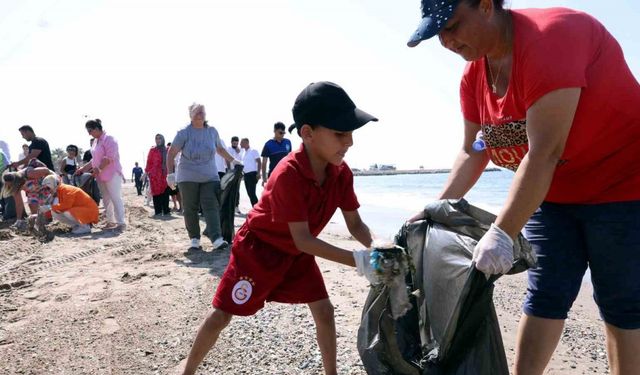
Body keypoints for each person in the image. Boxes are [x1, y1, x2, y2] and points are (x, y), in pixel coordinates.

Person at [406, 1, 640, 374]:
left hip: (625, 184)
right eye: (438, 34)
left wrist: (501, 233)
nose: (446, 41)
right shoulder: (474, 76)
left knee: (621, 301)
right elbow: (472, 151)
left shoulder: (551, 38)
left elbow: (544, 152)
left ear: (485, 6)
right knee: (546, 292)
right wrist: (436, 211)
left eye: (451, 27)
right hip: (552, 191)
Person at [179, 81, 379, 375]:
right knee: (223, 313)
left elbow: (356, 225)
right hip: (259, 250)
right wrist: (359, 262)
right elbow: (303, 239)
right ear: (308, 134)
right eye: (340, 134)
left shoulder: (341, 173)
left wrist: (379, 249)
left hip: (296, 253)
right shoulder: (289, 174)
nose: (349, 142)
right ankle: (187, 370)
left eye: (351, 134)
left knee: (324, 311)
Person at [167, 103, 241, 251]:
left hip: (209, 176)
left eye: (202, 111)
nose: (201, 113)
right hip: (187, 176)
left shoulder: (212, 131)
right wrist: (170, 174)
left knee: (212, 206)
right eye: (197, 111)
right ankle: (194, 239)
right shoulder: (183, 132)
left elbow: (220, 149)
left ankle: (216, 238)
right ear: (191, 115)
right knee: (190, 208)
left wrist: (233, 160)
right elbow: (171, 153)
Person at [75, 119, 126, 231]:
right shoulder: (95, 141)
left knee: (115, 197)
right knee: (106, 199)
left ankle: (121, 223)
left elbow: (109, 158)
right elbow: (94, 159)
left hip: (111, 173)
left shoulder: (109, 139)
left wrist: (98, 169)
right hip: (100, 176)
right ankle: (111, 221)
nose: (89, 133)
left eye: (90, 130)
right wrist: (83, 169)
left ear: (97, 128)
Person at [1, 160, 54, 226]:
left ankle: (49, 220)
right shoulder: (14, 187)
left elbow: (46, 170)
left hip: (45, 187)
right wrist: (18, 220)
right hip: (32, 192)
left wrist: (52, 184)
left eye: (11, 185)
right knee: (33, 208)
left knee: (46, 208)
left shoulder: (30, 173)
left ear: (16, 182)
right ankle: (40, 222)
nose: (10, 187)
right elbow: (19, 204)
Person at [145, 134, 171, 216]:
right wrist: (146, 172)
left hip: (164, 174)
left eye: (160, 138)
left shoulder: (167, 149)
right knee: (156, 193)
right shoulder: (152, 150)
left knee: (165, 192)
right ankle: (158, 211)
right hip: (155, 175)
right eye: (156, 138)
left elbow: (170, 161)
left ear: (163, 139)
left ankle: (166, 210)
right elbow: (149, 162)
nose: (158, 140)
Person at [260, 121, 292, 186]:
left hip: (286, 175)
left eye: (283, 133)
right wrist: (264, 178)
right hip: (273, 176)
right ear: (274, 131)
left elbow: (291, 158)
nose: (282, 134)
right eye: (280, 133)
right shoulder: (268, 144)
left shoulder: (288, 142)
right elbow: (264, 163)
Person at [240, 137, 261, 207]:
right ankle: (255, 207)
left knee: (252, 193)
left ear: (247, 143)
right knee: (249, 193)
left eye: (242, 142)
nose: (240, 144)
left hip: (252, 174)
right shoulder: (243, 152)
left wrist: (258, 173)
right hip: (246, 175)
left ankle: (257, 208)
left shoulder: (253, 150)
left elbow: (259, 161)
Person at [166, 142, 182, 212]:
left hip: (178, 177)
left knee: (178, 193)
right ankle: (176, 205)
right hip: (172, 178)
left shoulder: (179, 154)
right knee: (173, 192)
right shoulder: (169, 156)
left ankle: (181, 207)